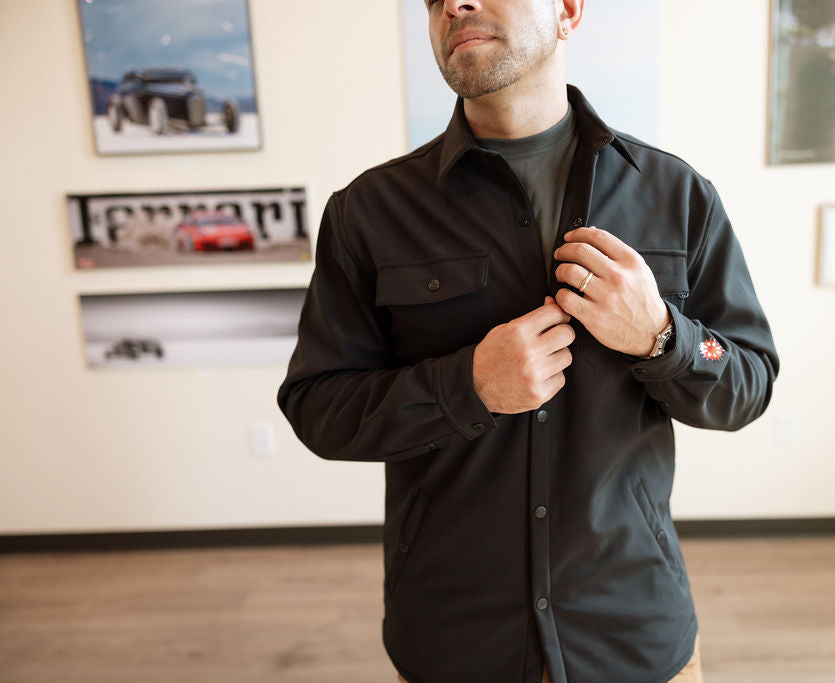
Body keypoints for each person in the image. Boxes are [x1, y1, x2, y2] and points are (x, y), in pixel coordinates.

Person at [277, 0, 779, 681]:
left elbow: (748, 384)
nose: (454, 4)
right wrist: (467, 386)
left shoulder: (676, 194)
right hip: (455, 639)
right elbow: (318, 407)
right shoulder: (367, 213)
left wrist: (662, 336)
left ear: (568, 10)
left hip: (633, 633)